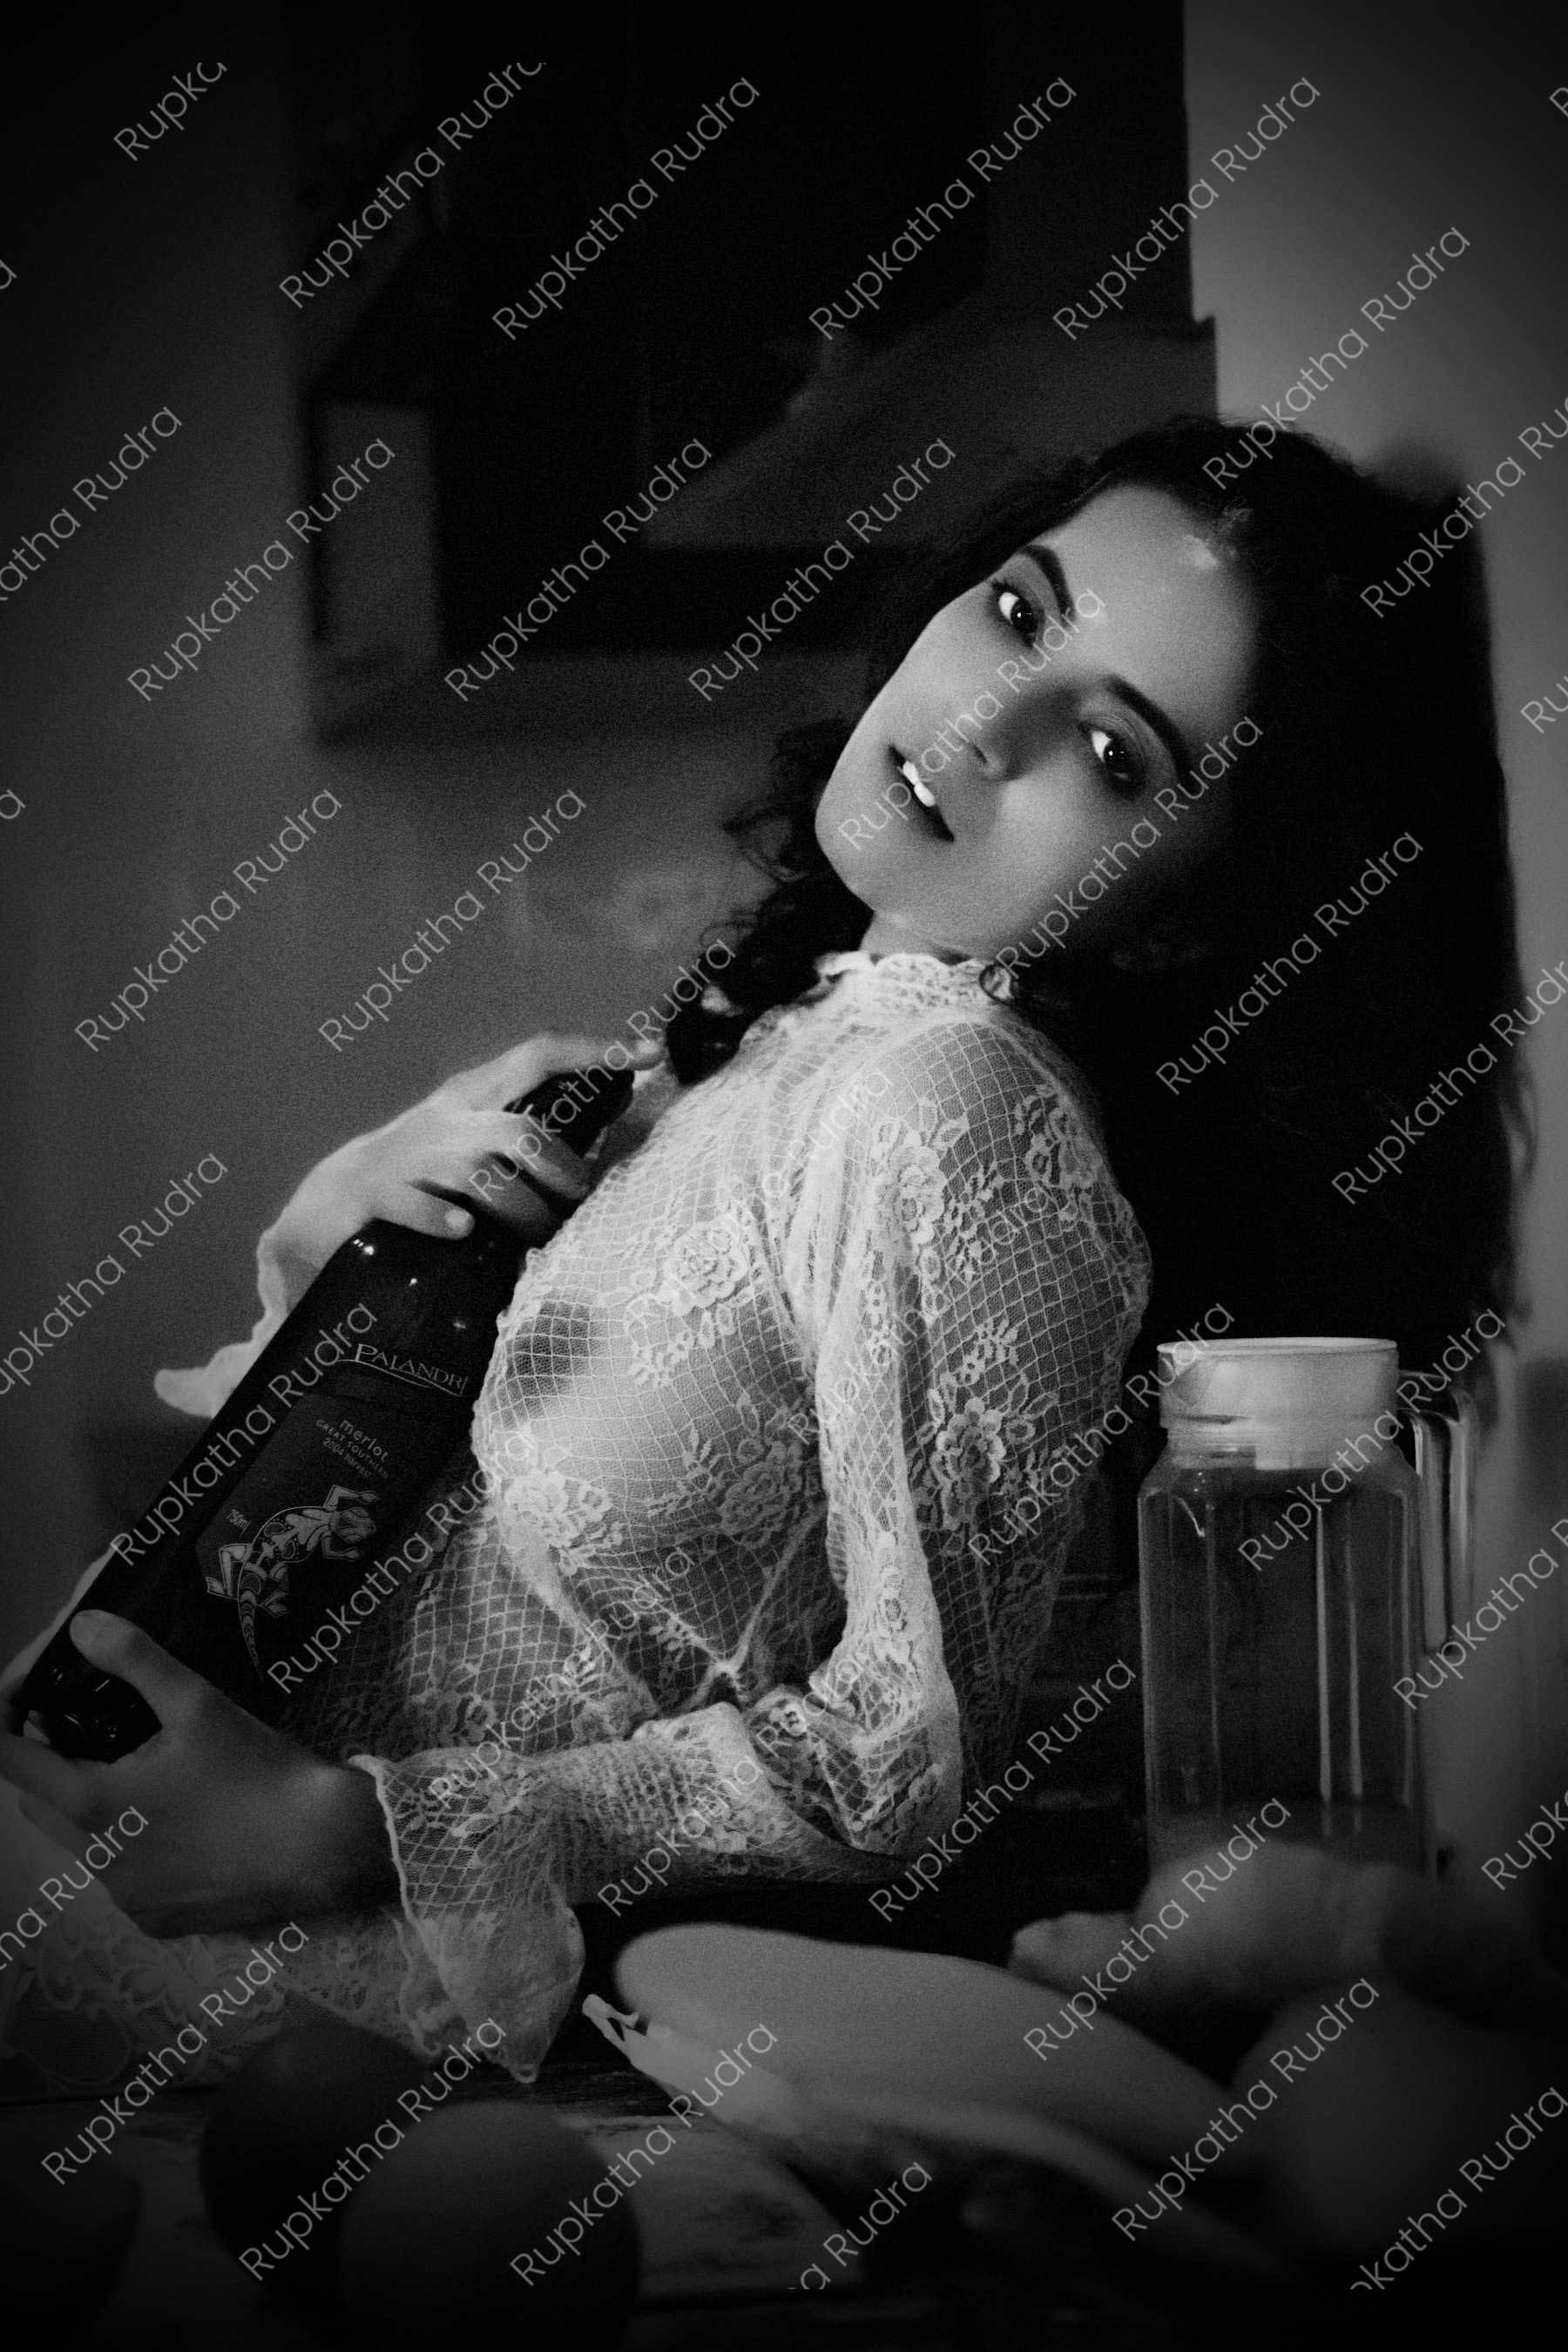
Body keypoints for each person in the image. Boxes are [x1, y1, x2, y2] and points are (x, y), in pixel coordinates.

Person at [0, 416, 1527, 2094]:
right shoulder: (789, 1036)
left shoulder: (954, 1107)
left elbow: (901, 1758)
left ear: (1188, 913)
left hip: (285, 2035)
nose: (985, 723)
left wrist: (346, 1835)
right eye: (1020, 612)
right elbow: (437, 1553)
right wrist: (334, 1247)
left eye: (1110, 750)